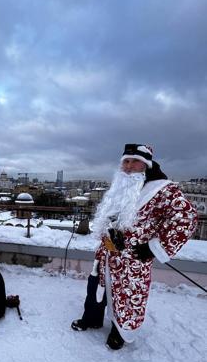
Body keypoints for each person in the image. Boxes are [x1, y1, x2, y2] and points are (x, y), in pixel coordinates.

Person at [71, 144, 198, 349]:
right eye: (126, 161)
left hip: (134, 259)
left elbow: (187, 219)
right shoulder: (122, 184)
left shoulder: (164, 190)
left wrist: (153, 248)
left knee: (127, 296)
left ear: (146, 165)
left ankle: (119, 332)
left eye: (134, 161)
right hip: (108, 251)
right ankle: (92, 318)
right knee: (96, 286)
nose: (129, 166)